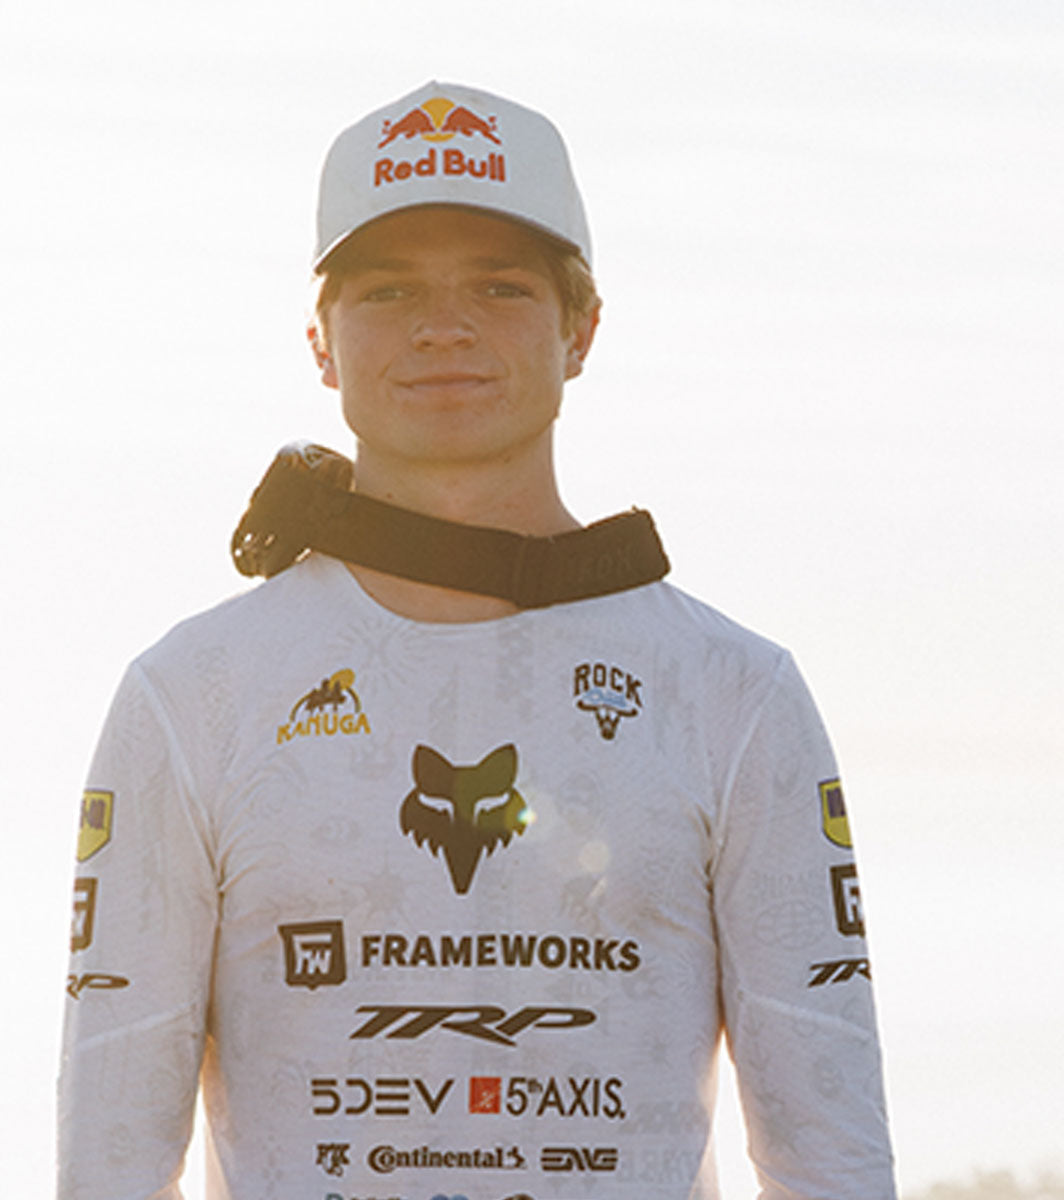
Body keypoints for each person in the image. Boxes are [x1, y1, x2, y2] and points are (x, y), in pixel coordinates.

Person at [58, 80, 897, 1199]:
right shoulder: (194, 693)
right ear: (319, 342)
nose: (442, 328)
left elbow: (831, 1153)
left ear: (581, 330)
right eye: (389, 289)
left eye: (500, 287)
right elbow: (109, 1159)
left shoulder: (732, 691)